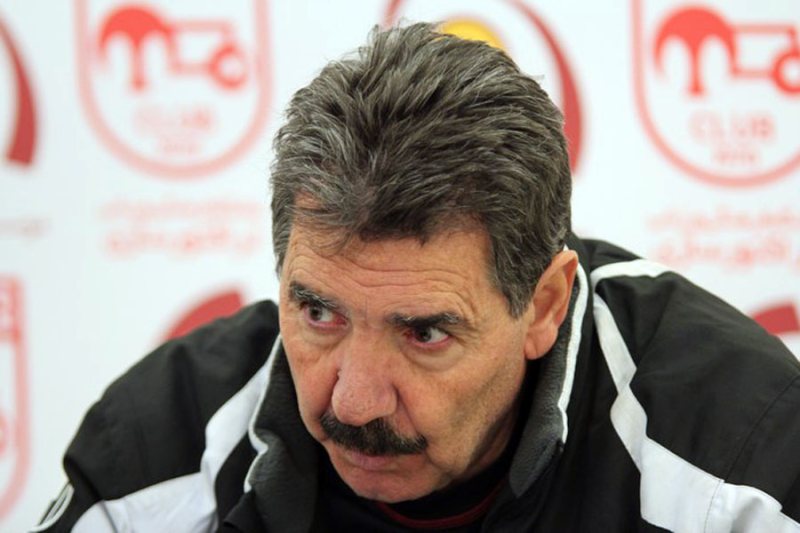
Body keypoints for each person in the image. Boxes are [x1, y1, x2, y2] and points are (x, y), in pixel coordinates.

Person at [35, 23, 800, 532]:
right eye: (319, 313)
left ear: (545, 304)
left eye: (425, 331)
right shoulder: (159, 455)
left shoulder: (737, 465)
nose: (353, 401)